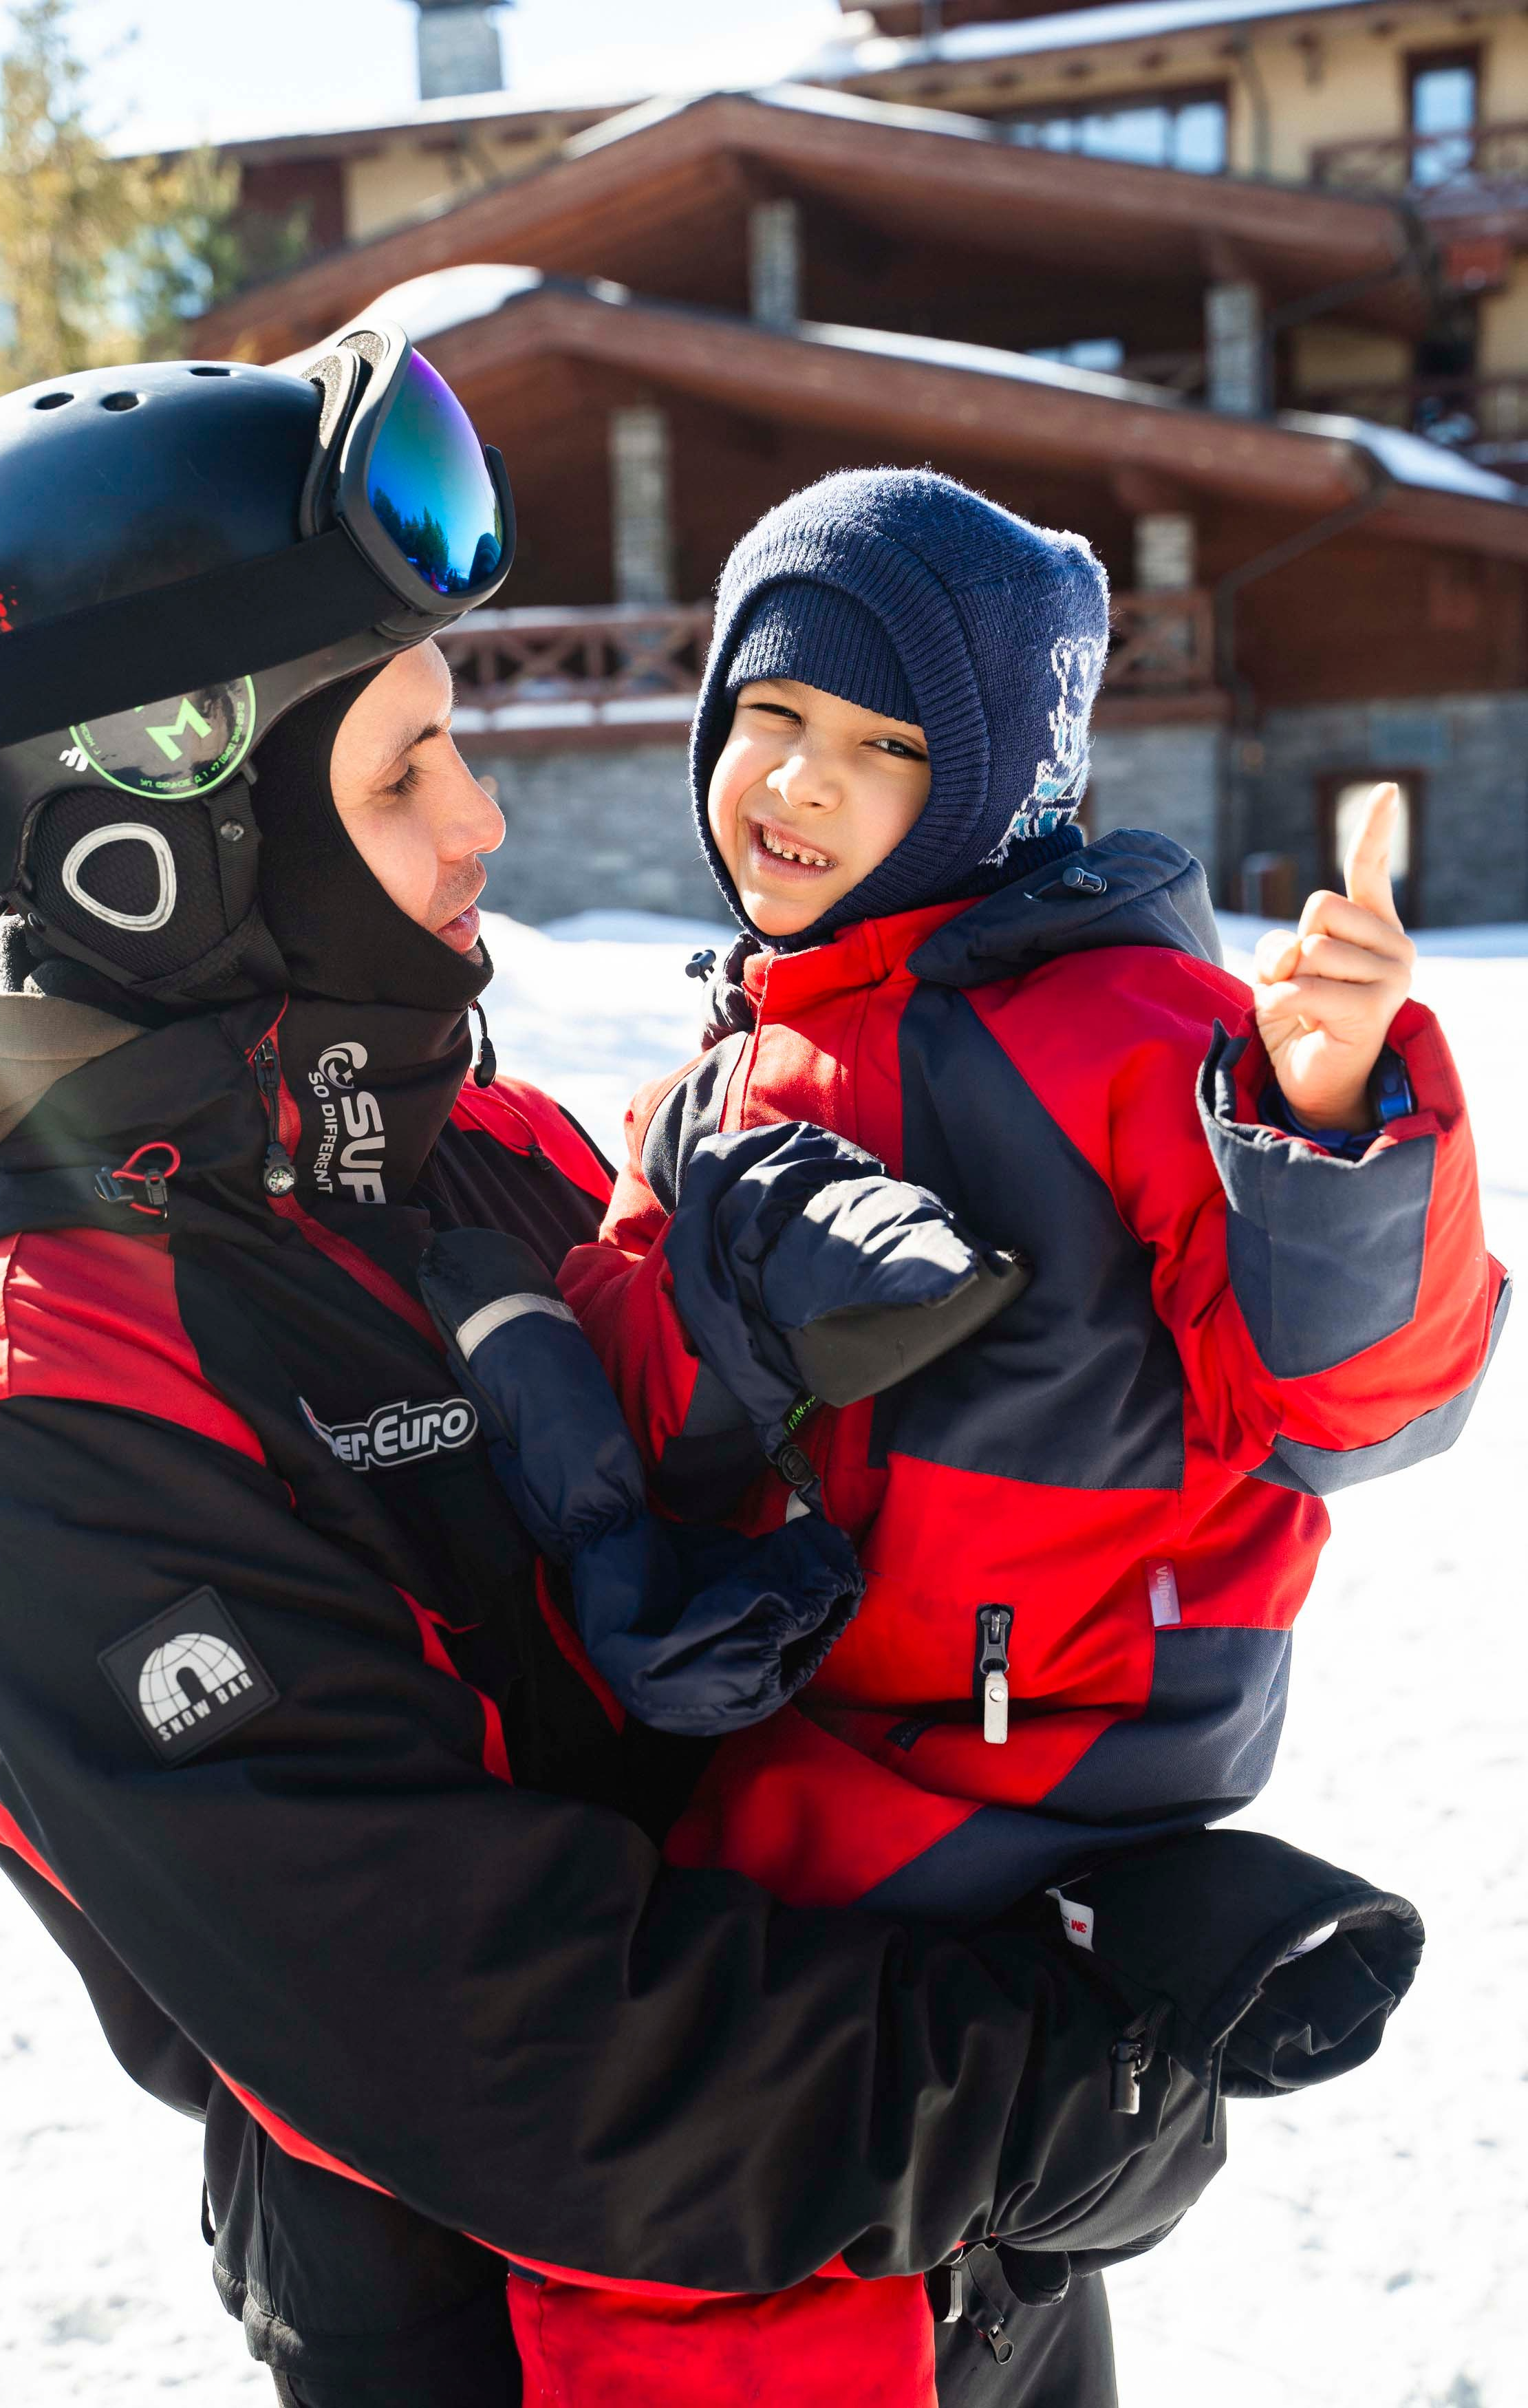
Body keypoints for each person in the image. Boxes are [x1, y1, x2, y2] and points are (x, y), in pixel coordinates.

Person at [0, 338, 1314, 2408]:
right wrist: (1045, 2079)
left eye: (454, 736)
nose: (483, 816)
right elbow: (485, 2024)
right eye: (398, 775)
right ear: (156, 841)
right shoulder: (45, 1390)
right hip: (547, 2342)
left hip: (943, 2293)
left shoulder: (484, 1160)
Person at [557, 468, 1508, 2395]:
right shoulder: (734, 1062)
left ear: (1000, 785)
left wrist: (1328, 1124)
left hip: (1037, 1758)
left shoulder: (1126, 1034)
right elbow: (644, 1370)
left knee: (751, 2204)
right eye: (770, 718)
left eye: (882, 746)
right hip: (838, 1736)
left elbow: (1360, 1400)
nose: (799, 785)